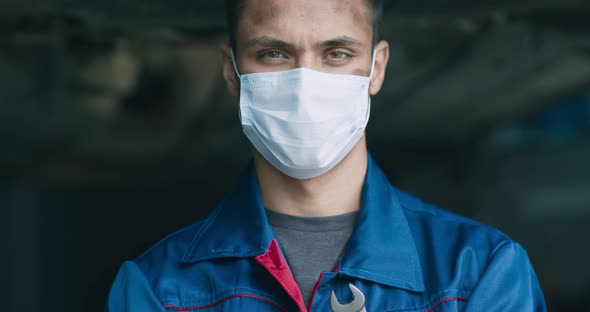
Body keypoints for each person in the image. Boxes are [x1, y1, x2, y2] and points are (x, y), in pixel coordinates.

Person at [106, 0, 547, 311]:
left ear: (376, 67)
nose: (305, 85)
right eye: (274, 53)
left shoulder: (481, 273)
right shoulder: (158, 290)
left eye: (336, 54)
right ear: (231, 71)